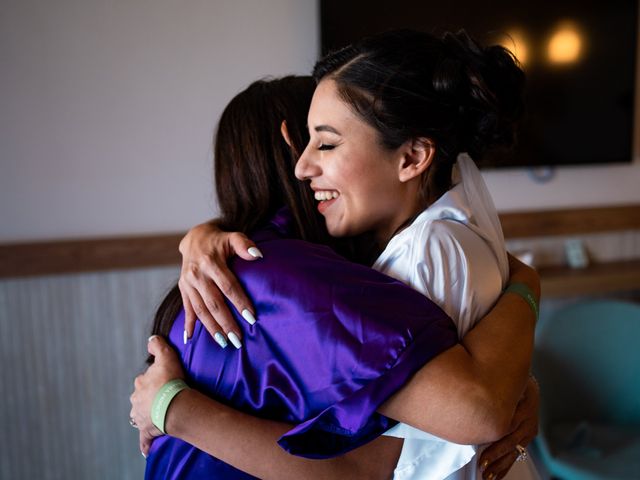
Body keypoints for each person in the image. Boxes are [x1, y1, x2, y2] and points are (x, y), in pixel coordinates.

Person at [131, 30, 540, 480]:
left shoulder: (406, 252)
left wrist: (519, 378)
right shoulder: (284, 278)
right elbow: (465, 417)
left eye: (324, 142)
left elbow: (466, 408)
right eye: (302, 144)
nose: (304, 168)